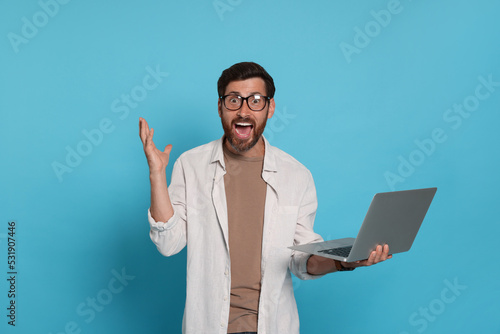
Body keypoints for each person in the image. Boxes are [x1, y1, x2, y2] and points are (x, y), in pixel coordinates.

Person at [139, 62, 391, 334]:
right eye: (233, 100)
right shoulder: (191, 165)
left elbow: (302, 258)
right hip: (208, 325)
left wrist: (345, 261)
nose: (243, 110)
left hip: (273, 326)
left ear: (270, 108)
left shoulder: (295, 174)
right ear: (220, 107)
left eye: (255, 101)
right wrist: (156, 174)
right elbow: (168, 242)